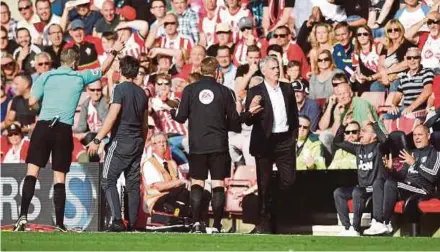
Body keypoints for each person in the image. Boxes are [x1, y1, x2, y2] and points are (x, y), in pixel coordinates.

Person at [13, 39, 124, 232]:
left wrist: (47, 103)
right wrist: (114, 50)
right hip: (62, 128)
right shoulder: (79, 77)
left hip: (43, 126)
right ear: (74, 63)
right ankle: (59, 224)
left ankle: (22, 217)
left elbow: (31, 101)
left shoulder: (45, 76)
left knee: (32, 172)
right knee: (59, 176)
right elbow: (103, 70)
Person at [171, 57, 251, 233]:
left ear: (200, 71)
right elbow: (234, 123)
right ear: (217, 72)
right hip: (219, 146)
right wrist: (247, 115)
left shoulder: (190, 90)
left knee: (197, 183)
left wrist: (171, 111)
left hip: (198, 145)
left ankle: (196, 223)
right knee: (218, 185)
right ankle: (216, 225)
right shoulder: (225, 91)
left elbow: (180, 117)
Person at [87, 56, 149, 232]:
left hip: (121, 140)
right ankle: (134, 224)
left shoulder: (119, 89)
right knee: (132, 183)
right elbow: (145, 123)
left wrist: (97, 139)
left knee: (107, 180)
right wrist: (141, 143)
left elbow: (112, 116)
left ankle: (116, 220)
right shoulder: (142, 93)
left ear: (121, 70)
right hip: (137, 141)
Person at [243, 56, 299, 233]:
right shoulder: (255, 91)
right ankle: (264, 223)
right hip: (265, 142)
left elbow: (294, 115)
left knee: (289, 180)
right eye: (273, 68)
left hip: (284, 140)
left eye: (278, 67)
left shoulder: (287, 88)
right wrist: (251, 112)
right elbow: (248, 121)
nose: (277, 70)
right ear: (264, 71)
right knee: (264, 185)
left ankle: (275, 211)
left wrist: (294, 136)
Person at [364, 124, 440, 236]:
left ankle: (385, 222)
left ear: (428, 136)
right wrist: (391, 170)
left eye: (420, 135)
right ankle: (377, 221)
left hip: (423, 190)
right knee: (379, 182)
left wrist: (415, 163)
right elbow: (402, 175)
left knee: (391, 183)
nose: (416, 138)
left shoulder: (436, 154)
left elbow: (433, 176)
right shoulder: (411, 153)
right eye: (414, 135)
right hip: (406, 187)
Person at [333, 115, 388, 236]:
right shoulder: (357, 148)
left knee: (357, 191)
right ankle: (347, 228)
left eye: (364, 131)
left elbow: (384, 139)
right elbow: (337, 142)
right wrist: (343, 125)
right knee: (338, 193)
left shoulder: (379, 147)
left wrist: (374, 123)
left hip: (374, 187)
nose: (360, 134)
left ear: (373, 136)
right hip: (362, 187)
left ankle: (356, 229)